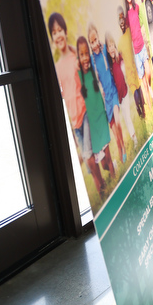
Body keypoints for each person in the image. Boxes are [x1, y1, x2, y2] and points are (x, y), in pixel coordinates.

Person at [47, 13, 102, 193]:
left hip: (85, 112)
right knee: (90, 158)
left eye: (60, 30)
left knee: (87, 156)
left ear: (65, 31)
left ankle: (101, 184)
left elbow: (88, 76)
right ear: (52, 37)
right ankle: (101, 186)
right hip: (74, 119)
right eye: (54, 32)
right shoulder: (56, 67)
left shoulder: (75, 57)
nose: (58, 35)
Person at [77, 35, 116, 196]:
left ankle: (115, 179)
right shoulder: (79, 75)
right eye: (82, 54)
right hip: (91, 122)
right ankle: (108, 174)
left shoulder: (93, 68)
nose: (85, 57)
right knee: (102, 162)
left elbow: (101, 58)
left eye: (87, 53)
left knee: (107, 157)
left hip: (101, 117)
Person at [89, 24, 126, 165]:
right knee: (115, 133)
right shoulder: (93, 60)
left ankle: (123, 149)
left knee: (118, 121)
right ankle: (120, 146)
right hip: (106, 100)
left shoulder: (105, 48)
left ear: (98, 36)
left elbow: (114, 53)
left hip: (113, 92)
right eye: (91, 42)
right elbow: (95, 81)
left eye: (95, 39)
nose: (94, 43)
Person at [123, 0, 153, 109]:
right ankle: (151, 106)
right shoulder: (126, 14)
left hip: (142, 47)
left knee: (148, 73)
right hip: (135, 53)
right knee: (143, 83)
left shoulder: (136, 8)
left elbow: (141, 22)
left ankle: (150, 90)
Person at [117, 6, 146, 119]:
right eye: (120, 24)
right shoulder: (120, 42)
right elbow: (119, 59)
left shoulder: (129, 32)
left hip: (135, 67)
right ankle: (139, 111)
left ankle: (142, 110)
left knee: (139, 90)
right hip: (129, 71)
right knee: (135, 93)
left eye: (123, 22)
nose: (122, 25)